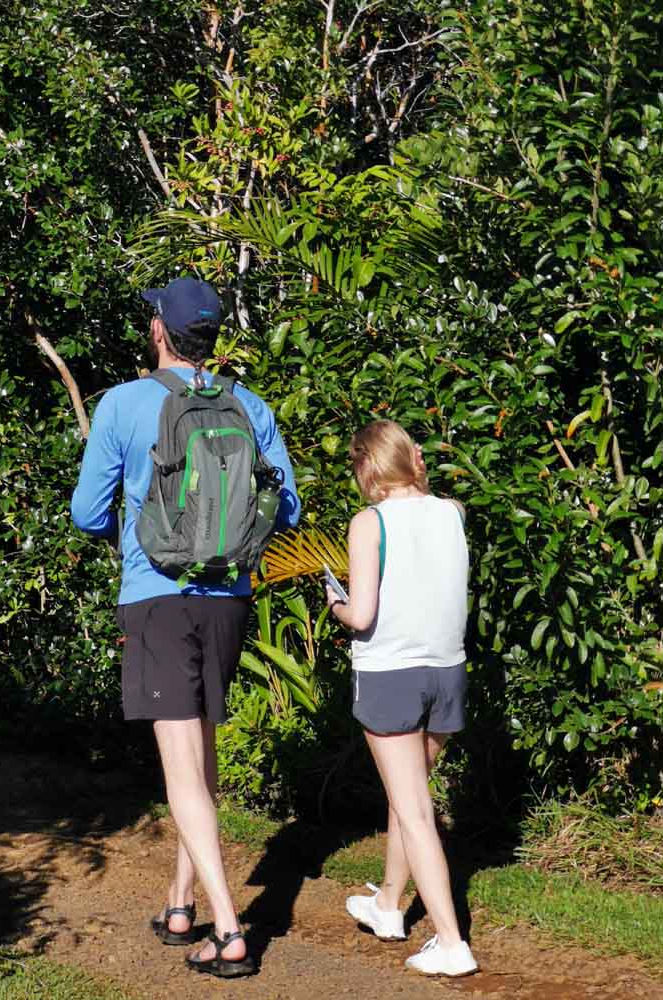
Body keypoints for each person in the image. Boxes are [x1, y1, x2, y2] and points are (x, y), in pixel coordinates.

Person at [71, 277, 300, 978]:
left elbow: (87, 513)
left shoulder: (123, 403)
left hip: (157, 598)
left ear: (158, 332)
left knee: (181, 770)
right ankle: (179, 902)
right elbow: (284, 508)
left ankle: (229, 931)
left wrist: (139, 535)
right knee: (200, 759)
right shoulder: (248, 405)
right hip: (227, 599)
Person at [327, 419, 478, 978]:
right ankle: (388, 905)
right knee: (407, 793)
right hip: (447, 672)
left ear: (366, 466)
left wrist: (334, 603)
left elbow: (362, 614)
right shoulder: (453, 513)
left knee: (413, 810)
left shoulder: (369, 523)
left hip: (391, 672)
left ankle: (450, 940)